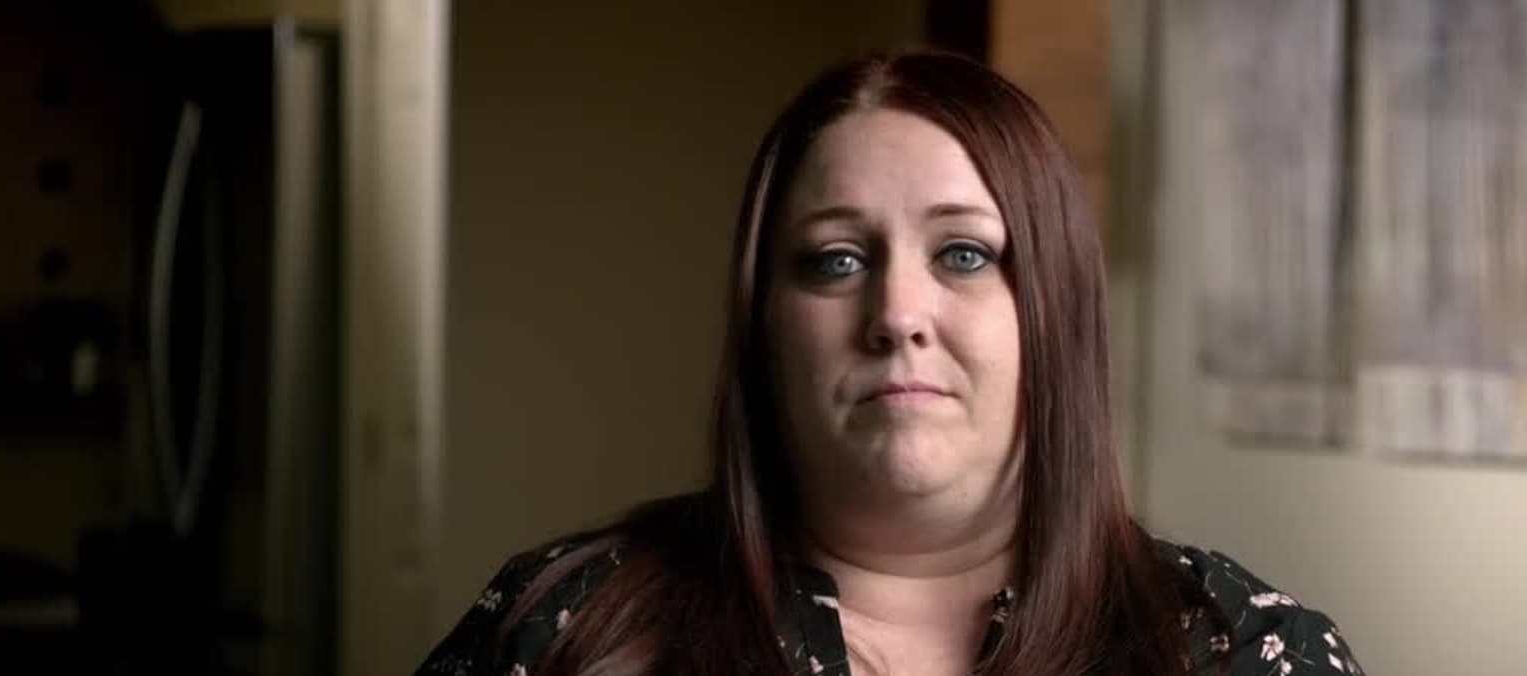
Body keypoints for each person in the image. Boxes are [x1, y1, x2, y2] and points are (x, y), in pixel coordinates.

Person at [417, 50, 1360, 676]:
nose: (898, 315)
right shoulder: (568, 630)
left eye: (964, 255)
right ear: (765, 325)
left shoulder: (1241, 649)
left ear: (1055, 315)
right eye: (837, 261)